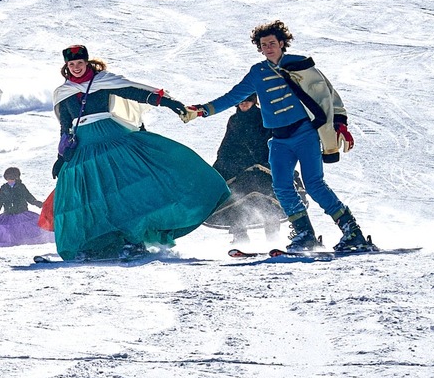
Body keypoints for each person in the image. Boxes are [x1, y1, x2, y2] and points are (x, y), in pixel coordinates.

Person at [185, 20, 369, 252]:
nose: (268, 48)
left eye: (272, 43)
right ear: (259, 48)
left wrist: (340, 123)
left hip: (305, 134)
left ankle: (352, 232)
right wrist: (203, 110)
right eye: (264, 45)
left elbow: (328, 95)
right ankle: (305, 235)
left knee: (314, 184)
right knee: (281, 187)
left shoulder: (300, 66)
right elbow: (232, 96)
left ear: (282, 44)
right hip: (279, 141)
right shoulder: (257, 73)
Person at [51, 45, 227, 261]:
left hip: (111, 138)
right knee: (89, 197)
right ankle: (96, 244)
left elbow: (136, 93)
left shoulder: (103, 82)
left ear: (87, 63)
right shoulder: (63, 92)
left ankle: (133, 241)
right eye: (72, 64)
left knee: (124, 192)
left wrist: (171, 104)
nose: (76, 68)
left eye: (80, 63)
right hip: (84, 147)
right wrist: (61, 158)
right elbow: (66, 128)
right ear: (66, 67)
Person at [203, 97, 291, 245]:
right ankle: (240, 237)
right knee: (234, 198)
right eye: (241, 101)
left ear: (254, 101)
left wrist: (266, 162)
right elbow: (228, 145)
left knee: (268, 198)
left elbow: (272, 141)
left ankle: (273, 238)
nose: (244, 104)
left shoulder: (264, 117)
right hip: (238, 166)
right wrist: (221, 165)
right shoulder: (234, 120)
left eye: (248, 101)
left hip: (262, 166)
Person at [0, 167, 52, 248]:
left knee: (24, 229)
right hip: (9, 214)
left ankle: (25, 242)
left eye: (12, 178)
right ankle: (11, 244)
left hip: (21, 213)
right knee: (9, 230)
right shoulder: (4, 188)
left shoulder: (21, 187)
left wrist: (38, 203)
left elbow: (29, 197)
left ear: (16, 178)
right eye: (8, 178)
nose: (10, 181)